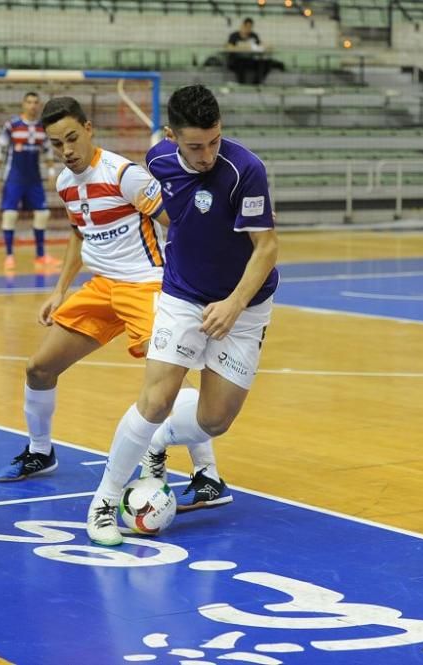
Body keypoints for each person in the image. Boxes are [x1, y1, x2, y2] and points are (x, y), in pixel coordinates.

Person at [0, 97, 230, 513]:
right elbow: (78, 233)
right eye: (56, 143)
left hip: (147, 285)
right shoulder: (66, 182)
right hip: (101, 287)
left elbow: (179, 224)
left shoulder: (125, 175)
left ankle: (207, 475)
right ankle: (41, 451)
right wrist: (60, 290)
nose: (66, 150)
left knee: (167, 385)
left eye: (71, 138)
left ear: (88, 129)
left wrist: (199, 280)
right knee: (39, 367)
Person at [86, 84, 278, 545]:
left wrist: (233, 304)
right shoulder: (157, 161)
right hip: (182, 296)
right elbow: (176, 215)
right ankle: (104, 502)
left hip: (245, 307)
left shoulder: (244, 171)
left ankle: (161, 438)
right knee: (153, 399)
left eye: (214, 141)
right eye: (195, 145)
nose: (207, 153)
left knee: (215, 421)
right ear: (171, 136)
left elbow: (267, 247)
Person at [0, 91, 61, 273]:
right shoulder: (12, 125)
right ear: (23, 104)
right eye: (29, 102)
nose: (32, 105)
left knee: (43, 214)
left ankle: (41, 255)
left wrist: (52, 173)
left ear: (39, 105)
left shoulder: (42, 127)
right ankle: (9, 256)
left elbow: (47, 151)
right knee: (10, 215)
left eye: (36, 102)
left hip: (34, 179)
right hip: (14, 178)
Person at [226, 18, 273, 85]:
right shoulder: (234, 36)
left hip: (250, 60)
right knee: (240, 63)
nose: (248, 29)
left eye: (250, 27)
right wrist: (245, 47)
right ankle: (242, 84)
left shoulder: (253, 35)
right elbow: (229, 47)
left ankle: (255, 83)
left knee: (266, 64)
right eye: (247, 27)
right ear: (242, 26)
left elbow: (260, 45)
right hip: (237, 60)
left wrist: (268, 46)